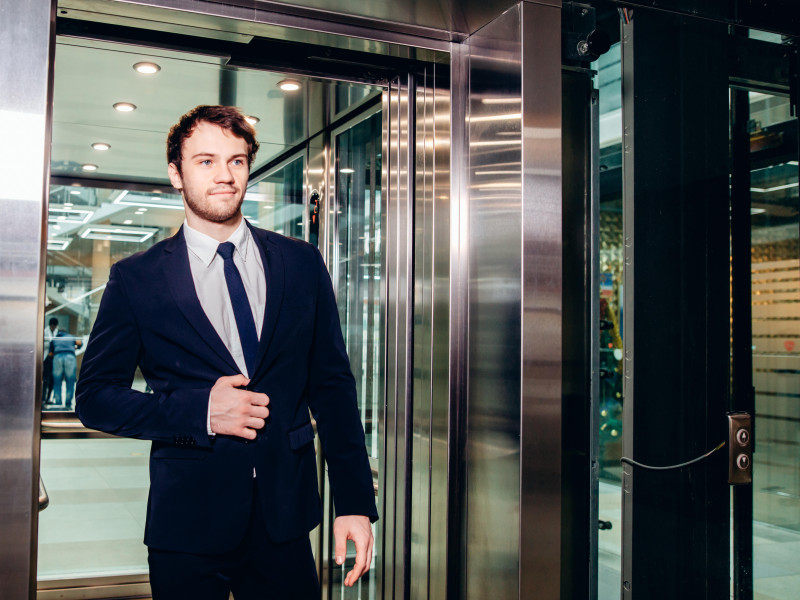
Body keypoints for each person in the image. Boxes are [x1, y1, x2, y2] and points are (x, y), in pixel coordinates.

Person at [75, 105, 377, 599]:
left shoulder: (300, 263)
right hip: (187, 524)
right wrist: (201, 412)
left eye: (237, 161)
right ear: (176, 173)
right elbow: (94, 397)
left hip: (285, 520)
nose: (224, 175)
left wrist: (355, 503)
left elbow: (333, 387)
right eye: (206, 161)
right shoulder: (137, 278)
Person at [50, 323, 82, 410]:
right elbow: (80, 342)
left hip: (57, 357)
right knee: (70, 381)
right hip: (70, 357)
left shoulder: (55, 338)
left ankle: (58, 403)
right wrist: (76, 348)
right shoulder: (70, 336)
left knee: (57, 381)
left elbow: (50, 353)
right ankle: (68, 404)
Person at [42, 317, 59, 406]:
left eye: (54, 326)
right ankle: (43, 398)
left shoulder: (57, 332)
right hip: (46, 358)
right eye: (52, 326)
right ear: (50, 325)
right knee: (45, 379)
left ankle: (49, 398)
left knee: (52, 380)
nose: (53, 327)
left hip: (54, 359)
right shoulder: (44, 331)